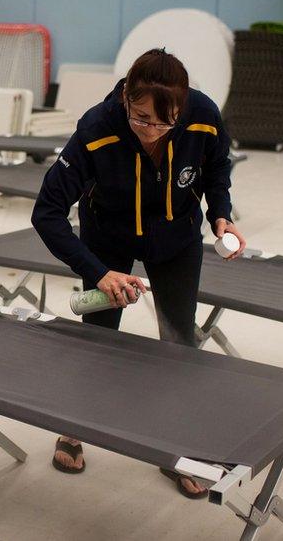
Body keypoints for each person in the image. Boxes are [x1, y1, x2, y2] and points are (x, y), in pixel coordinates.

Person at [31, 48, 246, 499]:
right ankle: (74, 428)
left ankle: (179, 450)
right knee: (99, 340)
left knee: (179, 342)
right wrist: (97, 271)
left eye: (164, 123)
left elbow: (218, 166)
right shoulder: (95, 129)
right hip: (107, 240)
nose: (151, 132)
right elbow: (47, 212)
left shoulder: (202, 115)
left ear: (182, 107)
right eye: (142, 117)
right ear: (127, 96)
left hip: (177, 239)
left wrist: (220, 213)